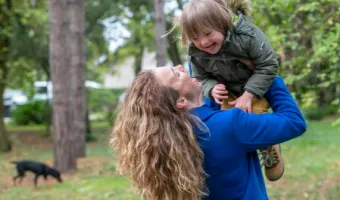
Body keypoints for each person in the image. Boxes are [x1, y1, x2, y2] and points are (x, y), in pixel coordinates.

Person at [110, 65, 306, 200]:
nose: (181, 67)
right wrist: (268, 77)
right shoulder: (230, 125)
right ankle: (265, 141)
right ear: (181, 102)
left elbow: (209, 111)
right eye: (176, 74)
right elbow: (294, 121)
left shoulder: (170, 141)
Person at [180, 0, 284, 181]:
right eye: (195, 38)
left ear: (222, 24)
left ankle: (268, 145)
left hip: (255, 86)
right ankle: (239, 159)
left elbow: (268, 65)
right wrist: (211, 88)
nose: (203, 42)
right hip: (228, 93)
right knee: (229, 126)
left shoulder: (248, 36)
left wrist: (249, 94)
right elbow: (200, 78)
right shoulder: (195, 52)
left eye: (207, 34)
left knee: (253, 117)